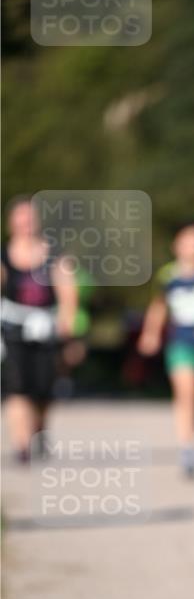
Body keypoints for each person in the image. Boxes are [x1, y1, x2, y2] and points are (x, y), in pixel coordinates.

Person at [137, 221, 194, 478]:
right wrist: (151, 333)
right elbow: (159, 306)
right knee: (185, 393)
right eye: (186, 243)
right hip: (181, 342)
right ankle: (188, 446)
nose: (191, 248)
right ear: (176, 246)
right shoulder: (168, 275)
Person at [1, 196, 78, 463]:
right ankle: (21, 445)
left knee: (44, 387)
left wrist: (67, 322)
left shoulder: (54, 254)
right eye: (20, 219)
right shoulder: (4, 255)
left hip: (47, 328)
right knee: (17, 385)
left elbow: (68, 291)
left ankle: (39, 430)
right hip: (13, 327)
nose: (25, 224)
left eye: (29, 218)